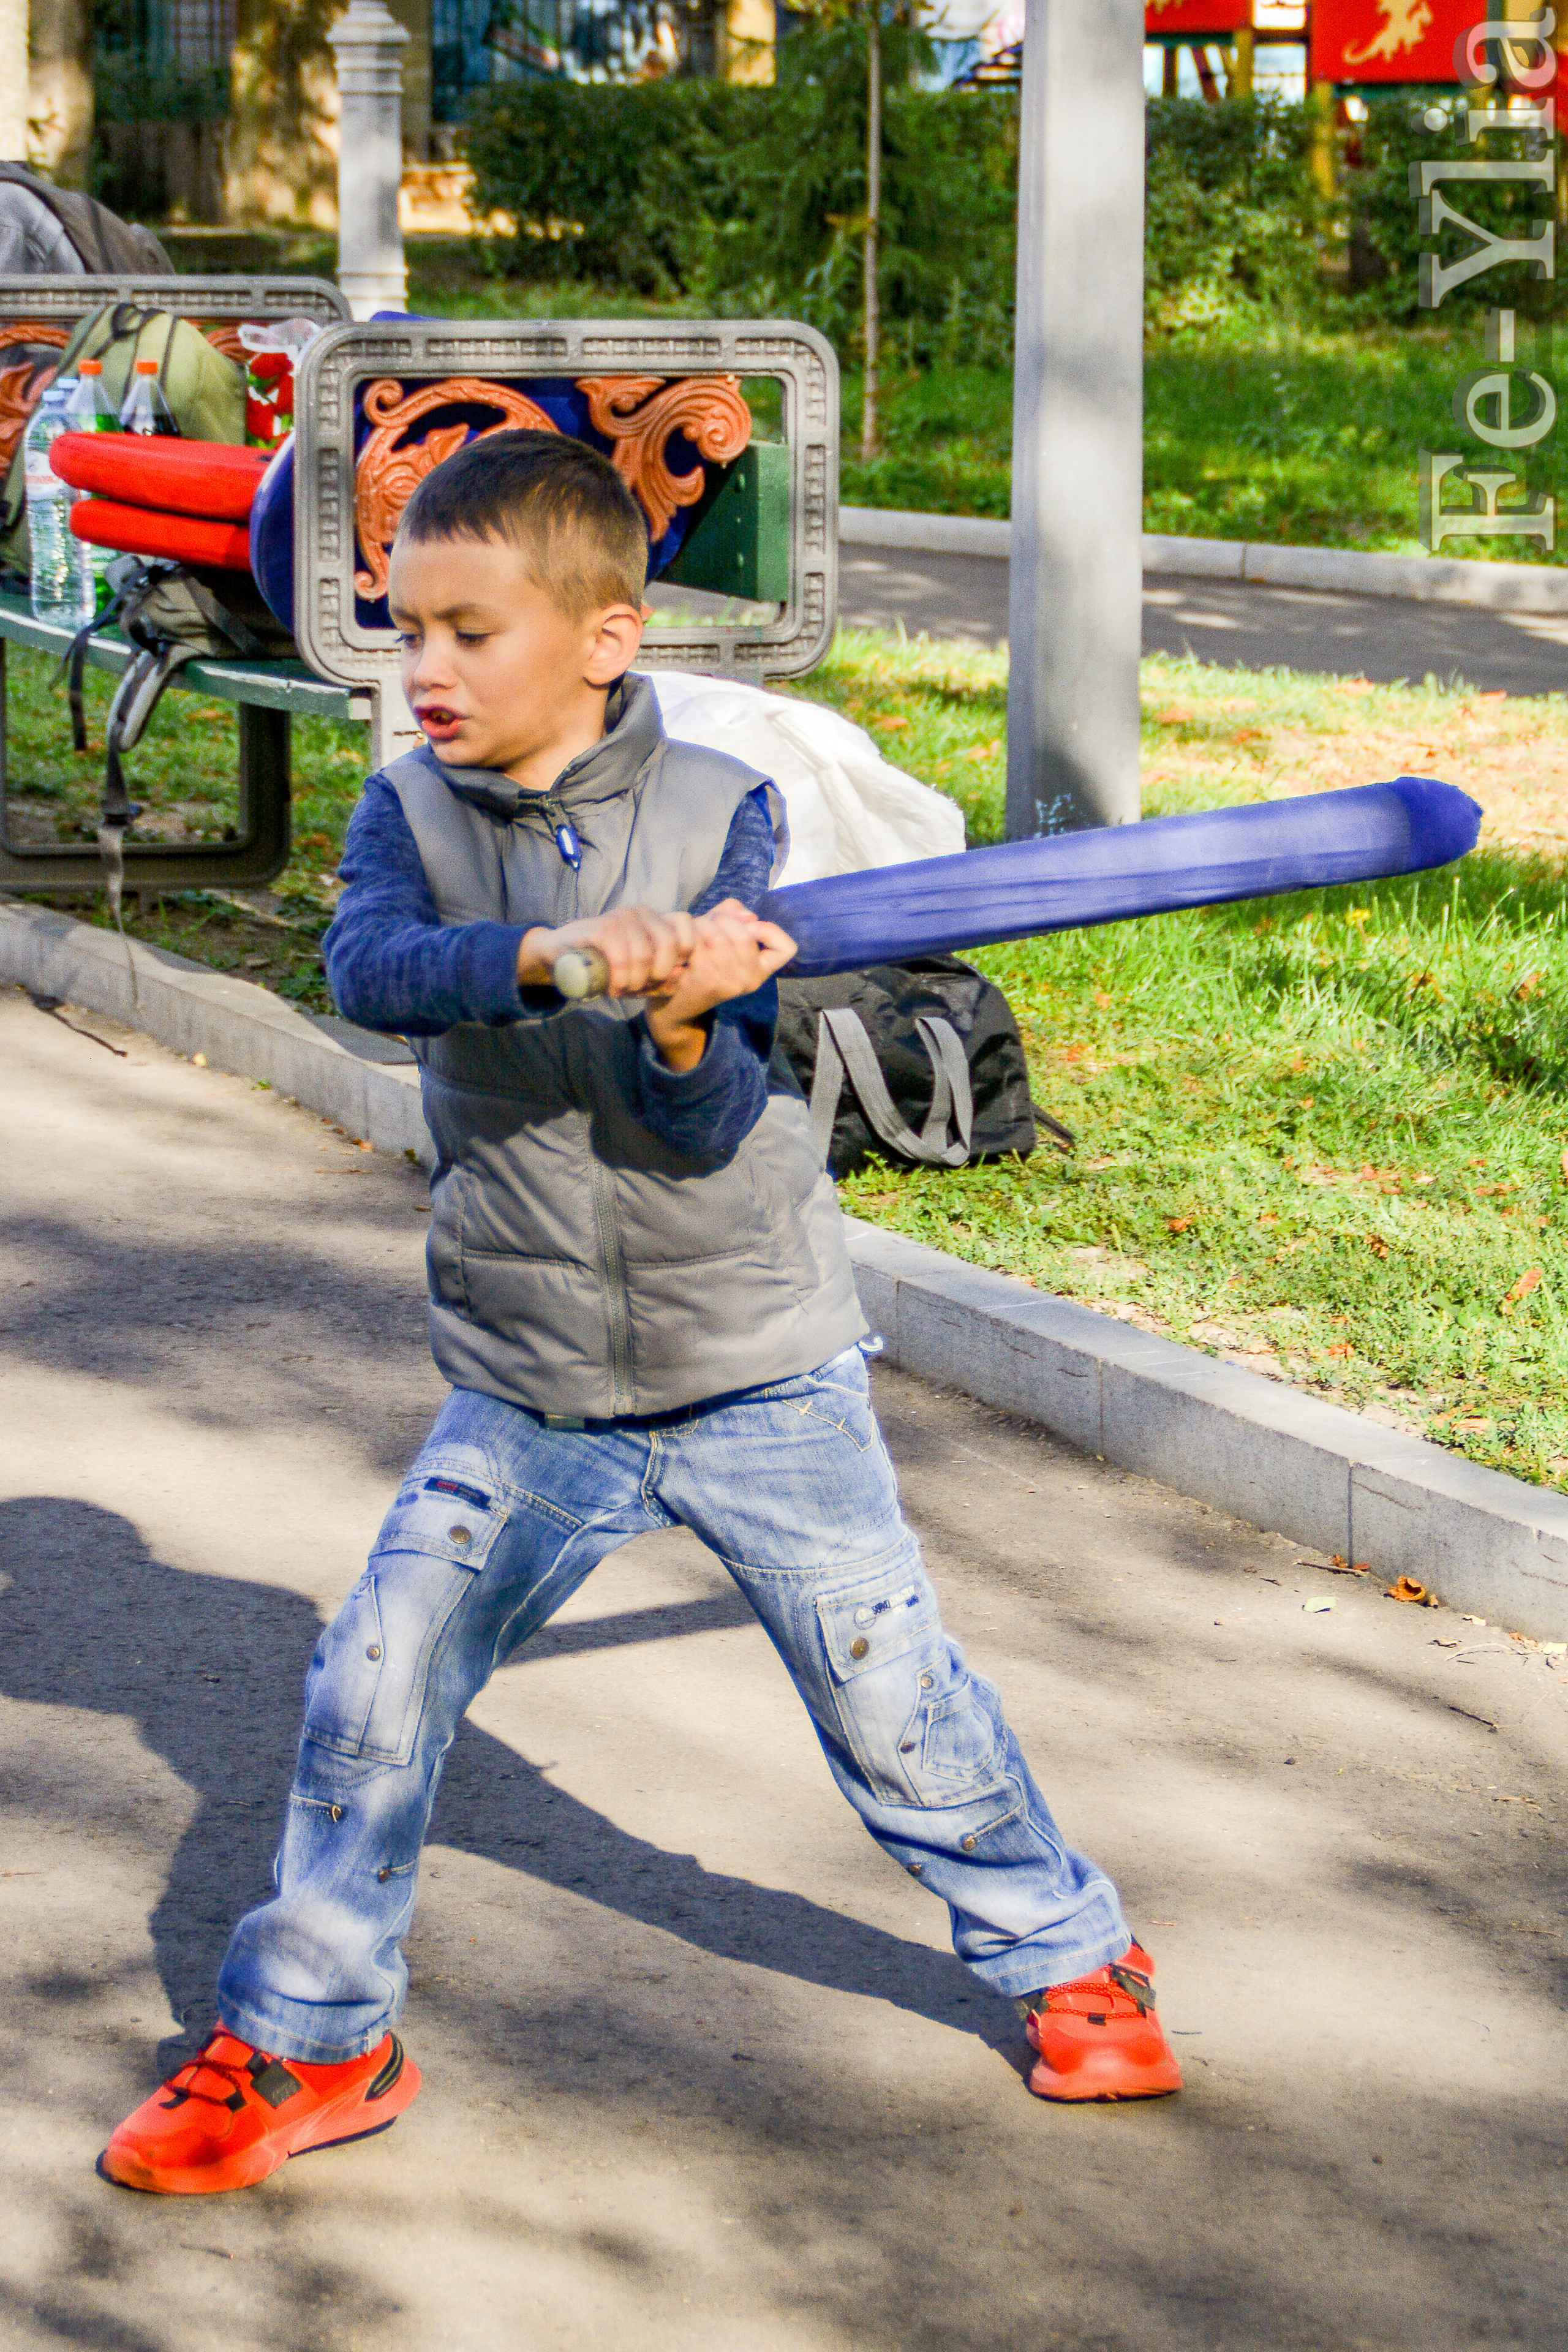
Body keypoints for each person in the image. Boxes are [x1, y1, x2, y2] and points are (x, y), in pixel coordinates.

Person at [102, 429, 1180, 2195]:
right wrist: (573, 956)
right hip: (528, 1384)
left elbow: (697, 1130)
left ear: (606, 638)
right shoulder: (412, 810)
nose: (425, 670)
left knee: (890, 1697)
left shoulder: (719, 815)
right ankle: (313, 2038)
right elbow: (373, 975)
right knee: (377, 1683)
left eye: (468, 631)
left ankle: (1071, 1955)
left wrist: (689, 1020)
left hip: (756, 1366)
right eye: (405, 630)